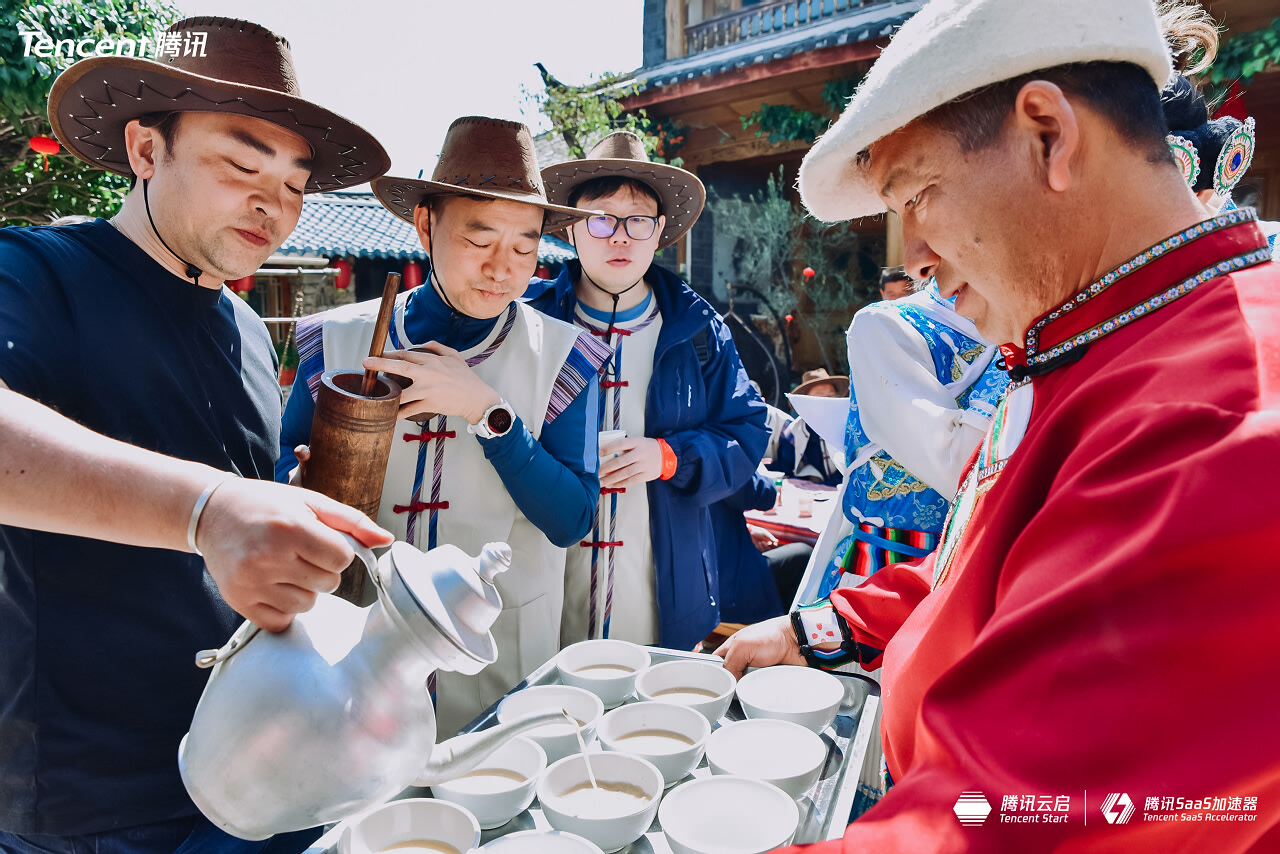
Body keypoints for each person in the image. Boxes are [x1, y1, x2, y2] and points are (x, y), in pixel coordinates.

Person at [718, 0, 1280, 848]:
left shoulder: (1216, 426)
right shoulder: (1096, 344)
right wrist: (823, 626)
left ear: (1048, 133)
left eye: (920, 195)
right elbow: (998, 570)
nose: (913, 258)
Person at [0, 17, 393, 853]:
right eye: (241, 165)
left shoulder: (248, 328)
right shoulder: (34, 275)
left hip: (256, 753)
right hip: (95, 798)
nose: (273, 204)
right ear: (147, 151)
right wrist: (208, 509)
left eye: (294, 185)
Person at [278, 117, 608, 735]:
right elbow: (277, 478)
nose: (503, 269)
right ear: (426, 224)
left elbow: (571, 521)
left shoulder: (564, 355)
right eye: (480, 239)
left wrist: (489, 412)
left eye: (525, 245)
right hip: (359, 645)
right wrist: (296, 487)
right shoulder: (339, 340)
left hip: (499, 655)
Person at [528, 131, 769, 651]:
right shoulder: (529, 322)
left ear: (659, 232)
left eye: (637, 220)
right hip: (542, 587)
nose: (619, 237)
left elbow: (748, 432)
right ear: (571, 229)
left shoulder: (699, 330)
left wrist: (667, 457)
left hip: (664, 591)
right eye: (600, 218)